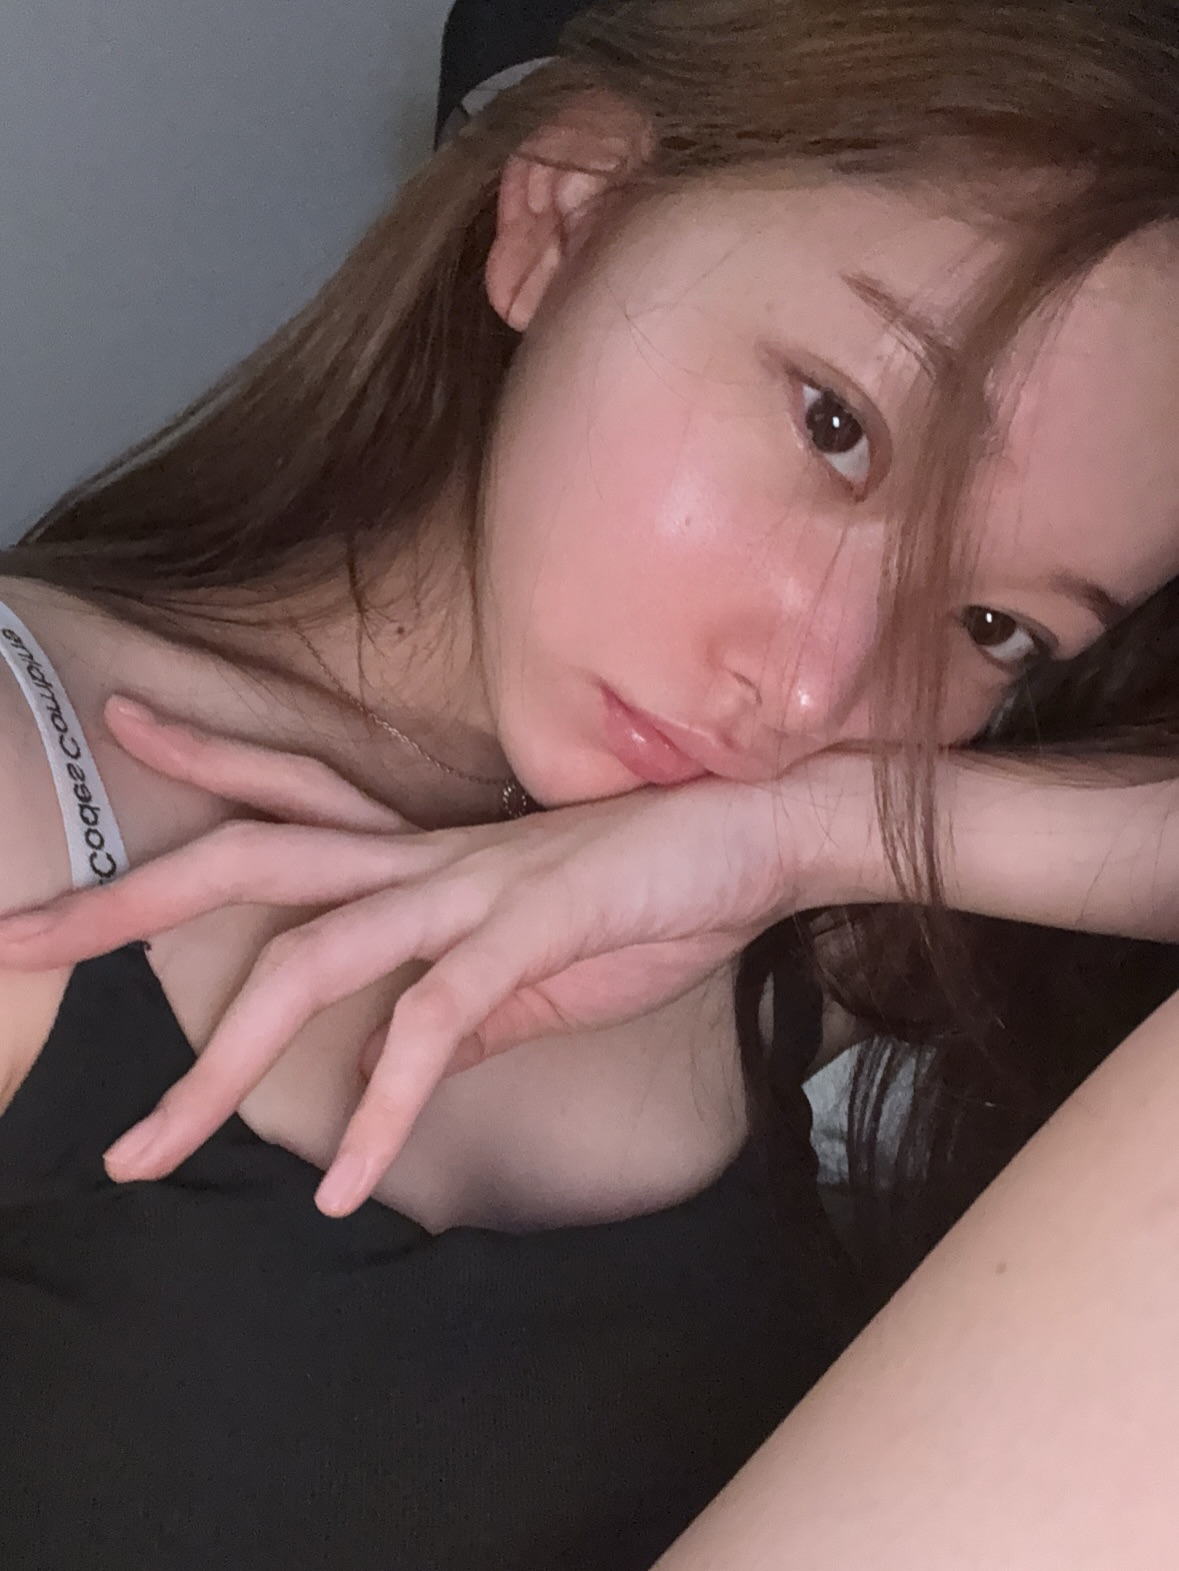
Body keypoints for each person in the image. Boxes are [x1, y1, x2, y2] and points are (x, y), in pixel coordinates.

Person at [0, 2, 1177, 1567]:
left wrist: (802, 836)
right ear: (566, 212)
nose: (818, 689)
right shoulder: (31, 800)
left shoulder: (800, 908)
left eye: (992, 627)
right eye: (838, 428)